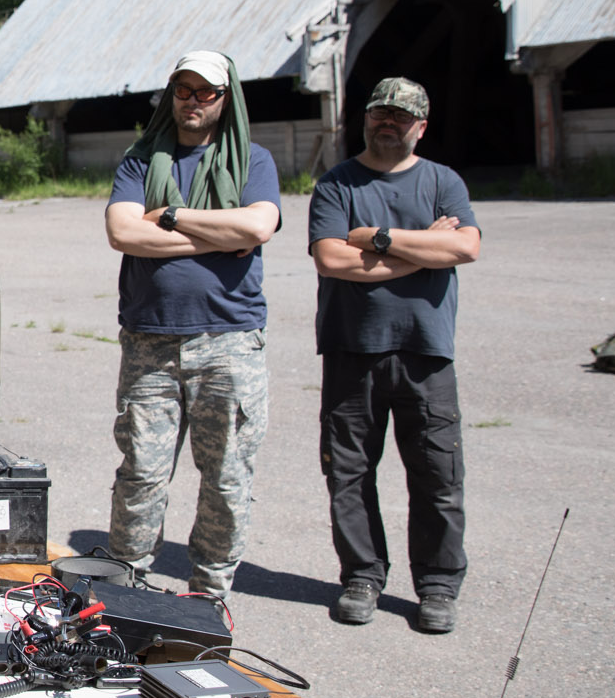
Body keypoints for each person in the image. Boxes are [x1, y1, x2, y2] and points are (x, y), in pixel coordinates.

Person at [102, 51, 281, 596]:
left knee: (227, 481)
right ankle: (126, 588)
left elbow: (258, 226)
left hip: (228, 343)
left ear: (226, 100)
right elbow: (125, 234)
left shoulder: (254, 161)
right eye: (184, 90)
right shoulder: (140, 162)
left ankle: (208, 593)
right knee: (141, 477)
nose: (193, 101)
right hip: (150, 345)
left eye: (206, 92)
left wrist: (174, 217)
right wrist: (219, 236)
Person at [309, 76, 480, 634]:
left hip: (425, 352)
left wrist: (378, 238)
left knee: (436, 474)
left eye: (402, 117)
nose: (390, 123)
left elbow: (464, 246)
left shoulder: (442, 181)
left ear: (420, 127)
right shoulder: (337, 184)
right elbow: (333, 259)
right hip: (350, 350)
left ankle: (437, 585)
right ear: (365, 118)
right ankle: (361, 576)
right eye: (381, 113)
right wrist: (421, 249)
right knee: (350, 474)